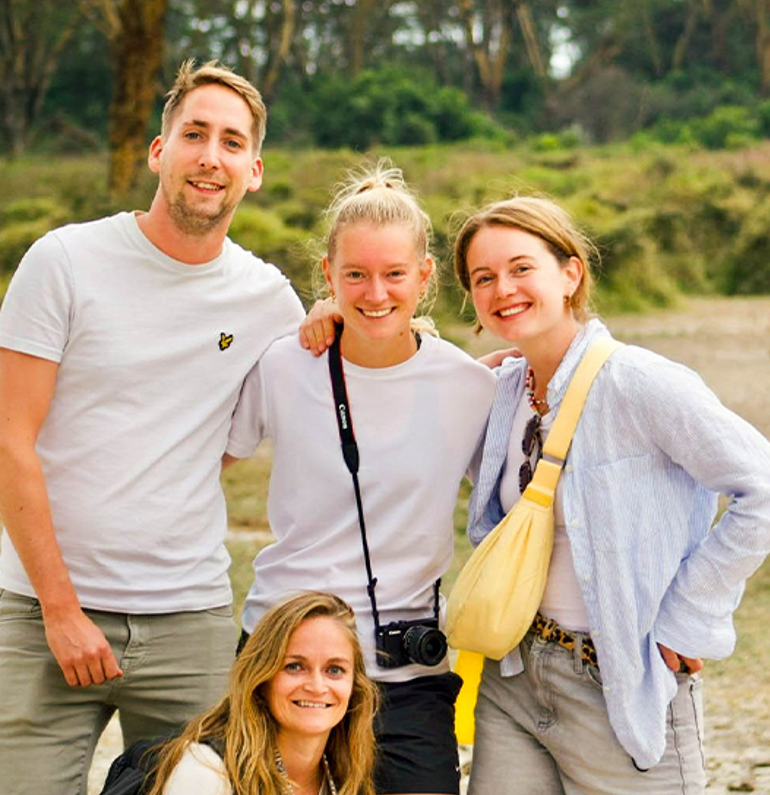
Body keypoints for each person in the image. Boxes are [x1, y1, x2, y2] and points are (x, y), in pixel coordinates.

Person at [0, 60, 305, 795]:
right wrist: (62, 611)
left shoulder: (268, 299)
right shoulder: (65, 262)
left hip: (188, 617)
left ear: (254, 172)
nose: (210, 156)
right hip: (40, 612)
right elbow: (9, 439)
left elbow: (325, 388)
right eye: (194, 134)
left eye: (232, 142)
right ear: (158, 151)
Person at [451, 195, 770, 795]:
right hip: (511, 678)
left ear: (570, 273)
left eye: (521, 268)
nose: (502, 288)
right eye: (483, 278)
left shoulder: (638, 381)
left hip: (617, 684)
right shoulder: (499, 391)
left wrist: (686, 619)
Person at [226, 162, 495, 795]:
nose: (375, 293)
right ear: (328, 274)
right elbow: (200, 463)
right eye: (355, 275)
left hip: (406, 673)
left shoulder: (471, 386)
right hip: (283, 656)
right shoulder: (284, 363)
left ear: (424, 275)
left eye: (394, 274)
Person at [145, 591, 377, 795]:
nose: (317, 687)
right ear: (262, 678)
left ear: (354, 685)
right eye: (295, 666)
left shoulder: (346, 771)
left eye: (334, 670)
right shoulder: (205, 770)